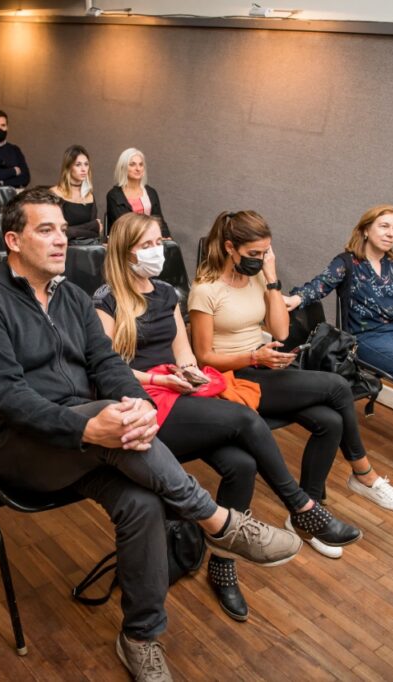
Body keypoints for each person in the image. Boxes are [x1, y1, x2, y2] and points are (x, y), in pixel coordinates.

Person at [0, 186, 301, 681]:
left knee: (143, 503)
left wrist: (139, 404)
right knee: (106, 414)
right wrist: (87, 424)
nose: (61, 240)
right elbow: (9, 401)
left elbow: (107, 364)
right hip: (7, 445)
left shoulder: (71, 297)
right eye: (45, 230)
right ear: (13, 240)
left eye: (63, 230)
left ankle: (139, 637)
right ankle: (218, 521)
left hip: (81, 441)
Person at [96, 211, 348, 620]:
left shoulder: (165, 293)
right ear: (125, 253)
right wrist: (159, 379)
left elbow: (183, 352)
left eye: (159, 242)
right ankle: (301, 507)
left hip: (178, 391)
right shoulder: (107, 300)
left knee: (242, 466)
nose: (157, 251)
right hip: (144, 402)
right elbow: (106, 367)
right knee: (246, 420)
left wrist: (188, 373)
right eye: (146, 246)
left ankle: (223, 564)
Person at [190, 211, 393, 554]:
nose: (259, 259)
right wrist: (254, 357)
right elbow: (204, 357)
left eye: (265, 252)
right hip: (233, 376)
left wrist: (272, 279)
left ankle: (307, 517)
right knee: (337, 386)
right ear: (230, 247)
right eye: (253, 253)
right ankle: (363, 473)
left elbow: (280, 331)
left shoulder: (257, 279)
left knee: (330, 421)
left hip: (263, 366)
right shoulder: (205, 290)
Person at [284, 205, 393, 485]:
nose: (391, 233)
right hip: (369, 335)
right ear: (365, 229)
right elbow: (321, 284)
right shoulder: (347, 262)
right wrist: (296, 298)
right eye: (384, 226)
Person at [105, 148, 170, 238]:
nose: (138, 168)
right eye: (132, 165)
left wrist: (167, 239)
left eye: (141, 164)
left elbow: (160, 223)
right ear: (123, 167)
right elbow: (125, 227)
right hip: (126, 242)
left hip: (151, 241)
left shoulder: (151, 192)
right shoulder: (114, 195)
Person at [50, 144, 101, 241]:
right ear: (68, 167)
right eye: (78, 165)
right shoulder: (55, 193)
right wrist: (92, 226)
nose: (83, 169)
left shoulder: (89, 195)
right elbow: (59, 232)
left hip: (88, 247)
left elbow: (95, 234)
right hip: (63, 246)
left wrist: (73, 231)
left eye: (86, 164)